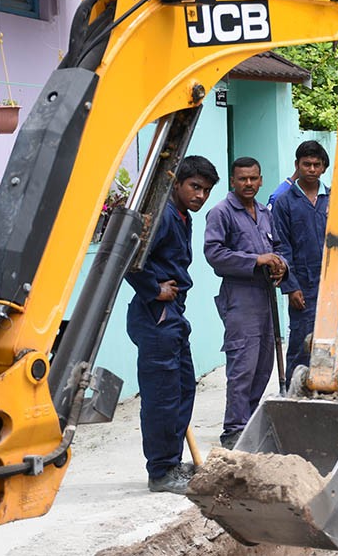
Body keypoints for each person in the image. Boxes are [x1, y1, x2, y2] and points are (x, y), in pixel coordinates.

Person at [124, 155, 218, 494]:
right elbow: (129, 257)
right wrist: (154, 288)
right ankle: (161, 472)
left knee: (182, 388)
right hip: (156, 316)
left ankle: (172, 462)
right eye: (195, 187)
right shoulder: (163, 215)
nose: (200, 195)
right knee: (162, 395)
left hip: (173, 316)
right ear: (176, 183)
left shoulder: (182, 216)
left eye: (206, 190)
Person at [204, 157, 289, 450]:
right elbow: (214, 254)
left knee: (263, 364)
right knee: (242, 366)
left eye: (253, 178)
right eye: (243, 179)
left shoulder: (265, 212)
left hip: (266, 296)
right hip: (240, 297)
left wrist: (281, 266)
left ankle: (250, 424)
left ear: (261, 180)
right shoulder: (221, 212)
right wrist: (255, 260)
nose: (249, 184)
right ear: (233, 181)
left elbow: (278, 248)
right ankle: (234, 431)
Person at [272, 140, 330, 384]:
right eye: (306, 164)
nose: (312, 169)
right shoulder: (285, 202)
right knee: (301, 340)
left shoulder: (333, 199)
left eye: (317, 164)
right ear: (297, 165)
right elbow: (281, 247)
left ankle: (325, 386)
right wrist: (291, 286)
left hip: (330, 281)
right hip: (302, 284)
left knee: (330, 338)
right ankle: (293, 390)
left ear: (324, 168)